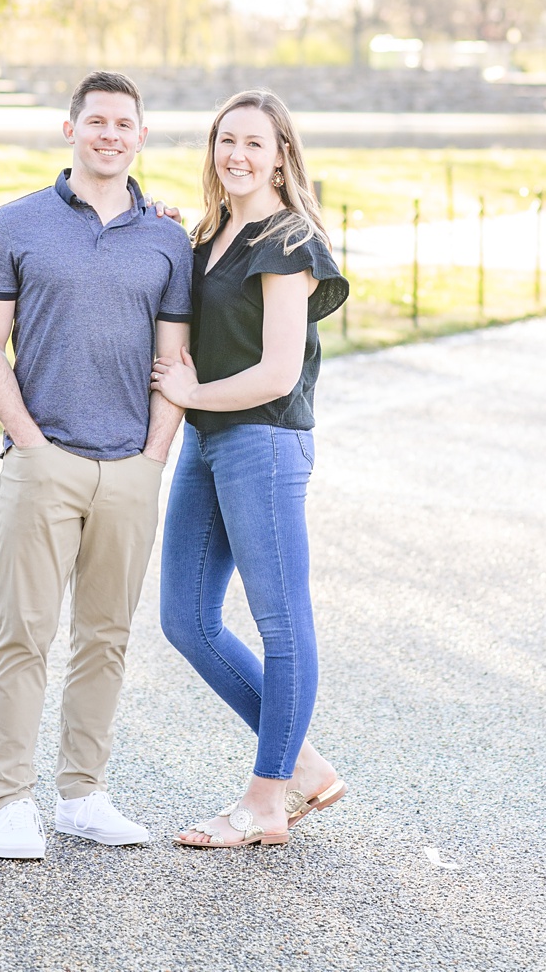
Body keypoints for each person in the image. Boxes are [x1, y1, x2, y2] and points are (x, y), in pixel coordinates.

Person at [0, 71, 194, 860]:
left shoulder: (168, 237)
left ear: (140, 136)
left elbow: (175, 361)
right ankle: (8, 804)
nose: (109, 134)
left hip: (129, 469)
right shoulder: (17, 222)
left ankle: (83, 796)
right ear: (71, 128)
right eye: (95, 120)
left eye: (123, 123)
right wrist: (28, 442)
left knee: (106, 638)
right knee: (22, 636)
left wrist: (153, 459)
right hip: (43, 461)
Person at [154, 88, 350, 849]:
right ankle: (301, 764)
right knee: (186, 620)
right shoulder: (213, 235)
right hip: (209, 443)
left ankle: (266, 801)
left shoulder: (288, 242)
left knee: (282, 627)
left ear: (281, 155)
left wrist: (192, 392)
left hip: (262, 443)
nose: (236, 154)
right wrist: (160, 232)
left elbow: (274, 372)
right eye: (225, 140)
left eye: (254, 143)